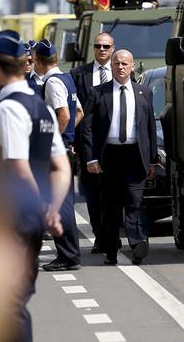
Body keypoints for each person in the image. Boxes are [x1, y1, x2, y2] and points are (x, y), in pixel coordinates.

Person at [0, 30, 72, 342]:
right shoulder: (40, 106)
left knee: (8, 304)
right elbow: (61, 166)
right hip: (31, 219)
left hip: (14, 219)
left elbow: (17, 167)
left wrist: (39, 208)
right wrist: (52, 208)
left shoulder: (8, 109)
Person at [82, 50, 158, 266]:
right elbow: (87, 129)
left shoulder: (143, 92)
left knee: (134, 202)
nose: (120, 67)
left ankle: (137, 244)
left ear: (133, 66)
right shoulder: (98, 93)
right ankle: (111, 249)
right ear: (112, 67)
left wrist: (152, 160)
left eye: (125, 63)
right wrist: (91, 158)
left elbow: (150, 128)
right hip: (109, 157)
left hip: (135, 155)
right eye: (116, 64)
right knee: (110, 206)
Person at [31, 40, 84, 272]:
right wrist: (69, 136)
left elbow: (63, 115)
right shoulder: (66, 79)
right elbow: (78, 113)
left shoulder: (52, 82)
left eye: (34, 61)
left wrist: (54, 140)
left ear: (41, 62)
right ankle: (69, 254)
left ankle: (69, 256)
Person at [70, 32, 114, 253]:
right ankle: (100, 236)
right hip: (88, 144)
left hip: (116, 143)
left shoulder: (121, 72)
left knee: (113, 193)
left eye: (106, 46)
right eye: (98, 46)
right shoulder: (79, 74)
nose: (102, 49)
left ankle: (112, 236)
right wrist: (72, 141)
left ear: (112, 48)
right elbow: (73, 110)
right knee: (93, 195)